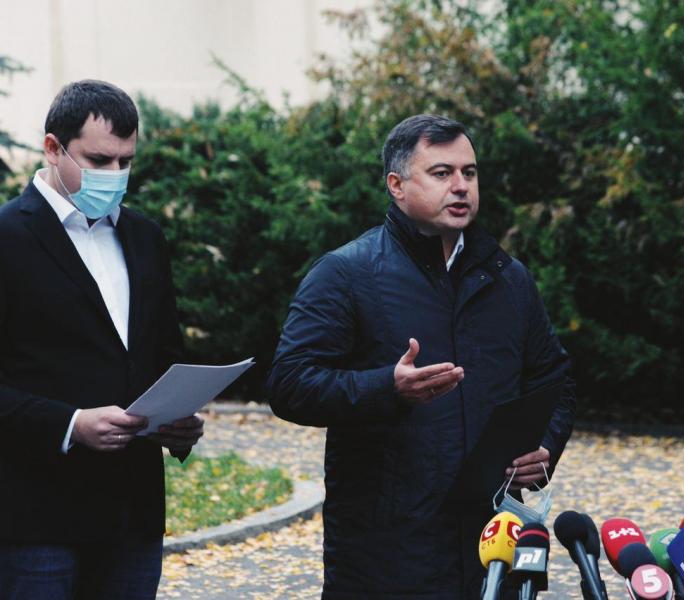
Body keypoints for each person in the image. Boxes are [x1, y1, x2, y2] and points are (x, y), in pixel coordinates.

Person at [267, 114, 576, 599]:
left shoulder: (508, 278)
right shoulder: (346, 274)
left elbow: (555, 379)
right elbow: (289, 384)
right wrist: (386, 388)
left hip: (494, 548)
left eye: (469, 173)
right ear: (397, 186)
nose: (460, 186)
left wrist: (543, 447)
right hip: (388, 555)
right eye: (441, 173)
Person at [0, 80, 204, 599]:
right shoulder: (7, 237)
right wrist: (70, 424)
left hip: (134, 515)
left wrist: (177, 423)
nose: (114, 174)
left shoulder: (145, 237)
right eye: (98, 160)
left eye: (125, 161)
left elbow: (163, 357)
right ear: (53, 148)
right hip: (35, 519)